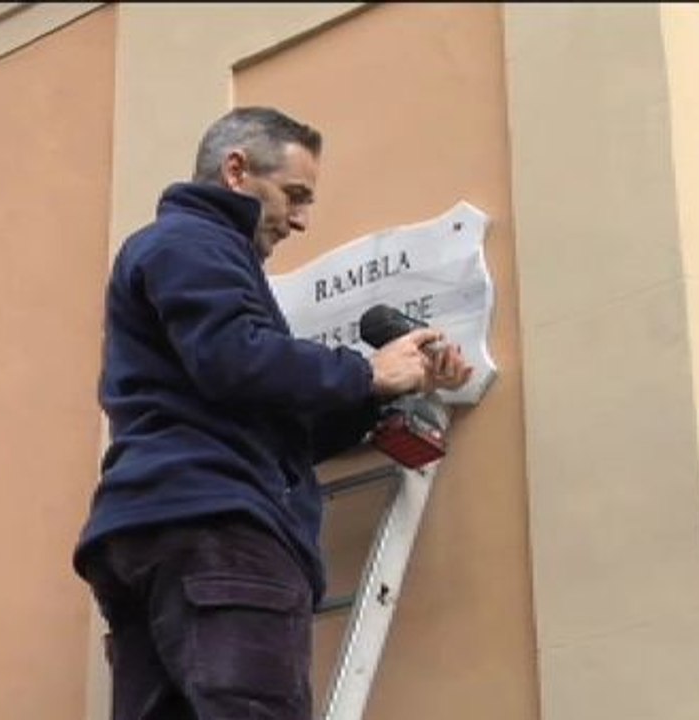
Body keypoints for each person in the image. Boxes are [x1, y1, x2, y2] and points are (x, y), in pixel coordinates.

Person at [72, 106, 473, 720]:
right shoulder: (195, 241)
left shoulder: (182, 253)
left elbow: (254, 408)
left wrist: (377, 393)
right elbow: (235, 358)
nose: (302, 220)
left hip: (155, 528)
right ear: (236, 170)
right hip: (219, 525)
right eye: (294, 195)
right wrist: (366, 371)